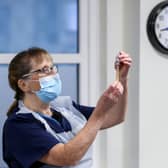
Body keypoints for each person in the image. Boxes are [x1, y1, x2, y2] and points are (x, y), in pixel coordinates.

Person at [3, 47, 132, 168]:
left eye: (52, 68)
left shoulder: (64, 107)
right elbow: (67, 157)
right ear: (24, 85)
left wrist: (122, 79)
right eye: (43, 70)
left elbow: (116, 117)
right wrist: (99, 112)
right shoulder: (19, 125)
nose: (52, 74)